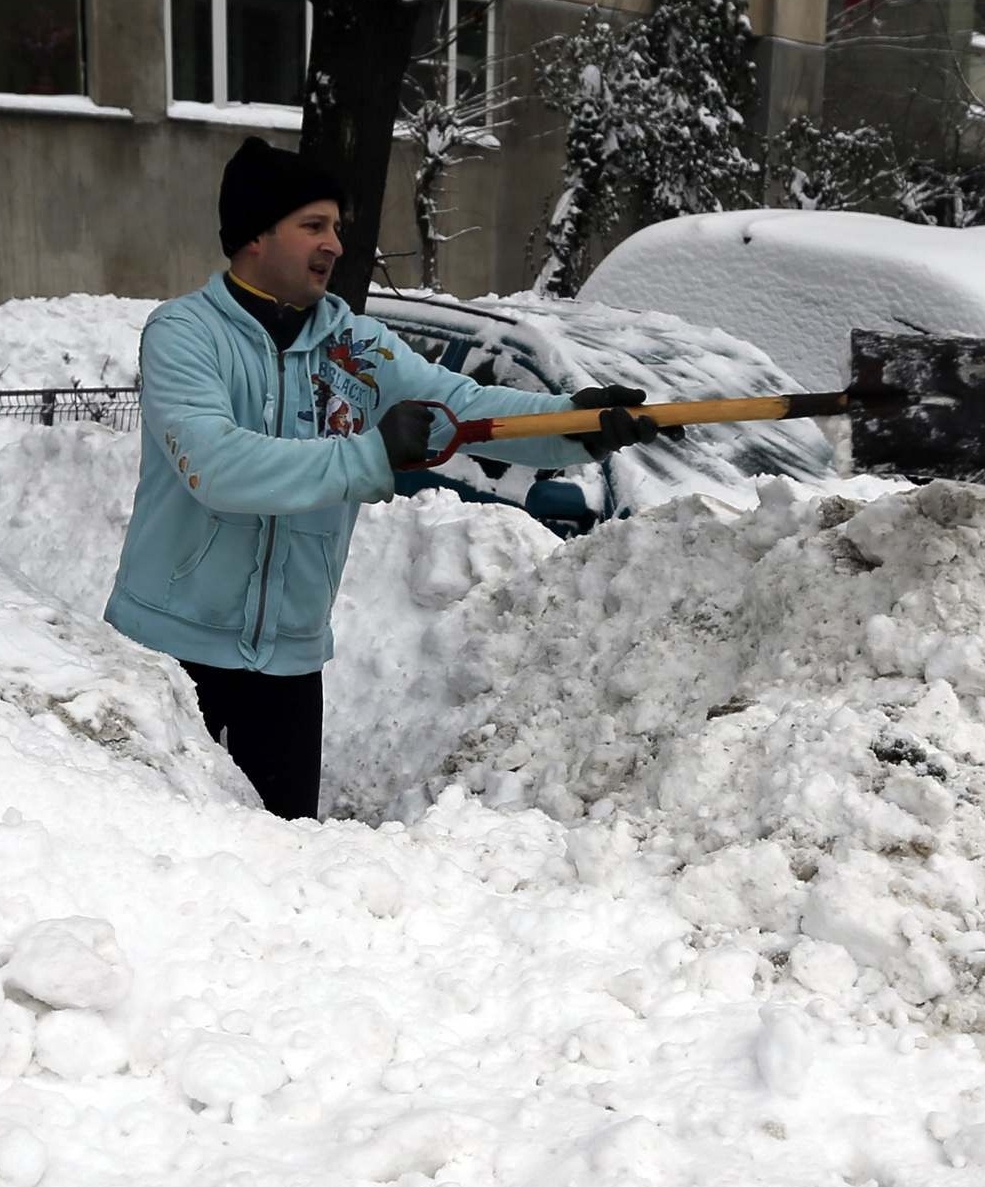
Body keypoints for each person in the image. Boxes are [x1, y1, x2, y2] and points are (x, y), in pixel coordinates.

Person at [105, 137, 664, 819]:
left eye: (337, 227)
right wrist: (372, 454)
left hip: (286, 665)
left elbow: (466, 408)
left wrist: (575, 424)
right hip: (167, 650)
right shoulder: (184, 335)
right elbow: (215, 466)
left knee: (279, 868)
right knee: (147, 852)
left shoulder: (353, 348)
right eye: (314, 225)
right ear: (254, 234)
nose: (336, 244)